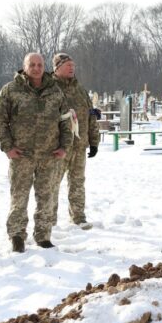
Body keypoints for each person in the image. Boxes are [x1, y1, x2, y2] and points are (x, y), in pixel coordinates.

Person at [0, 53, 72, 253]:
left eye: (40, 65)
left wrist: (64, 146)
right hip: (22, 155)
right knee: (19, 197)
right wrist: (7, 147)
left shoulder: (55, 91)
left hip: (49, 155)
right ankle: (17, 236)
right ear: (24, 67)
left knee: (46, 197)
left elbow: (66, 120)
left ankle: (43, 236)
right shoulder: (11, 90)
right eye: (32, 65)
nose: (36, 68)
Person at [52, 53, 101, 229]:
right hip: (59, 147)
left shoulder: (79, 89)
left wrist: (94, 141)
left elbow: (90, 115)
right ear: (57, 68)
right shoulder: (50, 88)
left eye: (73, 65)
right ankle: (49, 221)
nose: (72, 68)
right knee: (52, 184)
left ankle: (78, 216)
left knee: (78, 182)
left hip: (79, 146)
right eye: (67, 65)